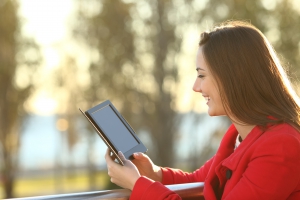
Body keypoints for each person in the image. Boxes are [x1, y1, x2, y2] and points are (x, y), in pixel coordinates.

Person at [105, 20, 300, 199]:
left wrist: (137, 184)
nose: (195, 87)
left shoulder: (280, 146)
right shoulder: (241, 137)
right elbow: (199, 179)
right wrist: (155, 174)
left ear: (232, 78)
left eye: (202, 75)